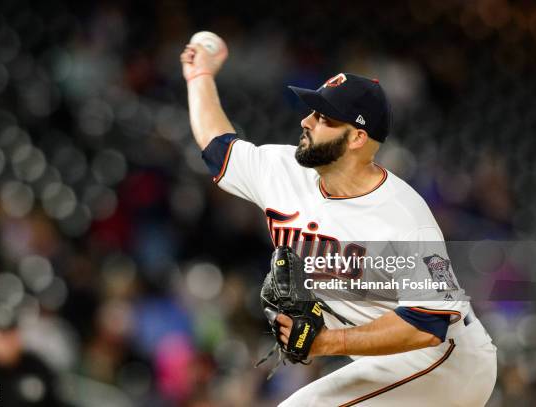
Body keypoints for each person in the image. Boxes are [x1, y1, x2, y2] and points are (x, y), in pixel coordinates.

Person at [180, 41, 497, 406]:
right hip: (390, 361)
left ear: (357, 138)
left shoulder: (404, 218)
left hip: (447, 362)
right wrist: (199, 76)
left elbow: (426, 324)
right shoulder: (284, 173)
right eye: (312, 111)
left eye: (324, 117)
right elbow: (218, 147)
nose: (306, 121)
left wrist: (326, 342)